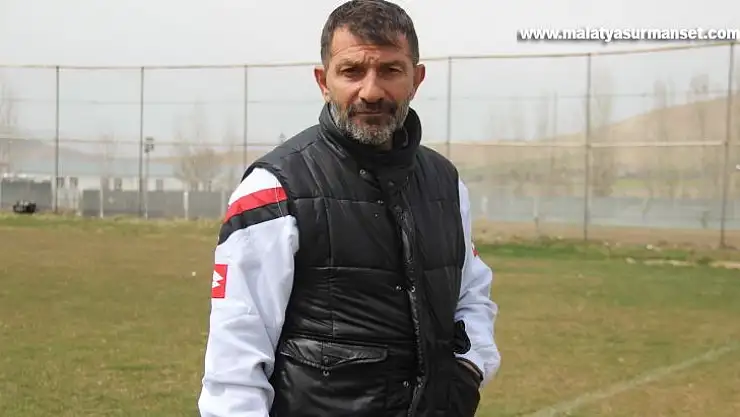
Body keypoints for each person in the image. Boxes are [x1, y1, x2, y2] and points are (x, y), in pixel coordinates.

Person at [197, 1, 500, 416]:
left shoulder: (445, 184)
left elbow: (472, 295)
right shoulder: (275, 190)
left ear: (416, 79)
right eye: (352, 71)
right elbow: (235, 356)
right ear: (324, 81)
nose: (371, 91)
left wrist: (470, 366)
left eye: (390, 70)